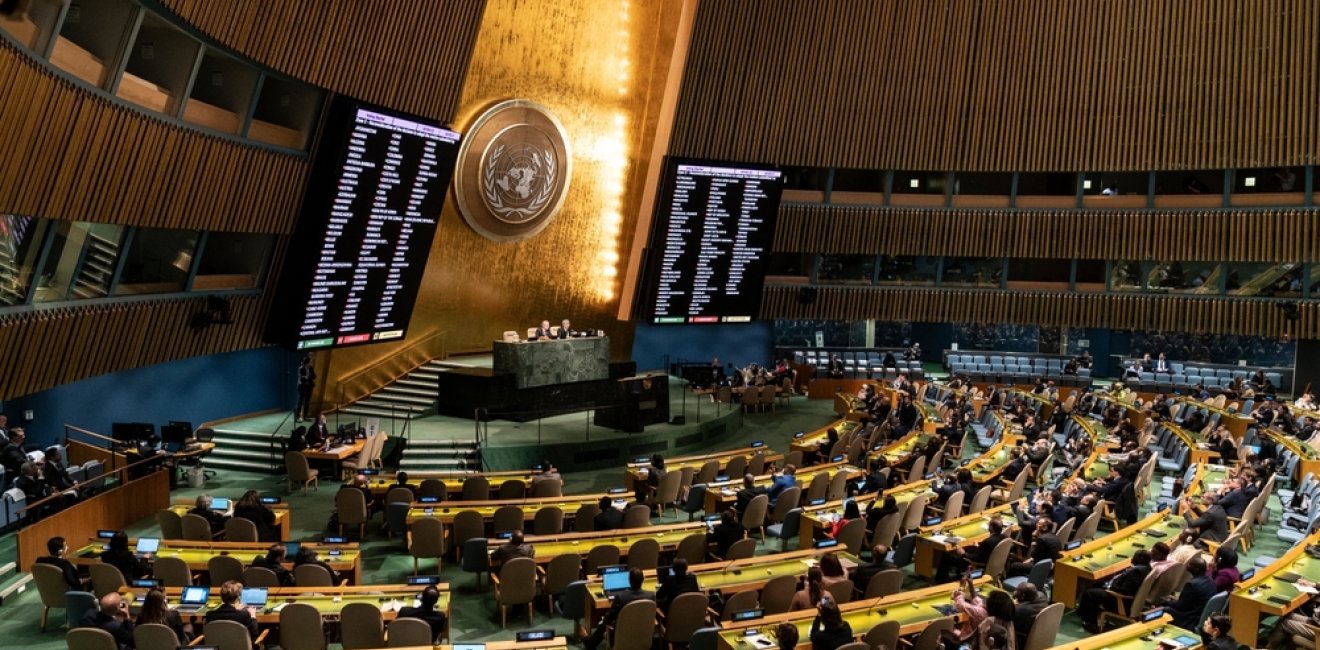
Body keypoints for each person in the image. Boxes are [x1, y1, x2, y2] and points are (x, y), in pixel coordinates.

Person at [1077, 548, 1152, 633]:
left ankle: (1090, 623)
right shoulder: (1146, 568)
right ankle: (1091, 612)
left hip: (1121, 601)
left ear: (1140, 559)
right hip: (1129, 598)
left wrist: (1109, 588)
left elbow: (1125, 591)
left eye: (1134, 556)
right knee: (1096, 585)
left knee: (1089, 593)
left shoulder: (1136, 572)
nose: (1132, 558)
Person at [585, 568, 653, 650]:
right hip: (643, 633)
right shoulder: (651, 596)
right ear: (643, 580)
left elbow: (609, 619)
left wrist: (603, 618)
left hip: (623, 634)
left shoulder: (621, 597)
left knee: (603, 623)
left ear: (629, 581)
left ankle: (589, 644)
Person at [935, 518, 1007, 582]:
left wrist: (963, 553)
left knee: (947, 556)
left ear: (991, 527)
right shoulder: (1004, 537)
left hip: (978, 565)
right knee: (970, 549)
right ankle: (956, 577)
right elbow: (988, 551)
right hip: (994, 565)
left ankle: (940, 581)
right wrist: (978, 547)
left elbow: (975, 560)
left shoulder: (988, 542)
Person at [1163, 556, 1215, 631]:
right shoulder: (1210, 581)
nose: (1188, 565)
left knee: (1164, 609)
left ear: (1196, 569)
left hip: (1190, 618)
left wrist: (1168, 602)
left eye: (1190, 564)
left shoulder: (1191, 584)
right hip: (1200, 615)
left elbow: (1181, 606)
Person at [1012, 583, 1049, 648]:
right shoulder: (1042, 596)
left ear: (1023, 595)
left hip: (1022, 639)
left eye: (1017, 590)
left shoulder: (1020, 609)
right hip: (1040, 634)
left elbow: (1012, 626)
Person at [296, 354, 316, 422]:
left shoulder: (311, 368)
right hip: (302, 387)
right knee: (300, 402)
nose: (311, 363)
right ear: (307, 362)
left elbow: (314, 376)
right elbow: (301, 378)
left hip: (309, 387)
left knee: (307, 402)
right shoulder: (301, 368)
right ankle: (297, 417)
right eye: (310, 361)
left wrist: (308, 377)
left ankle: (305, 416)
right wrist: (305, 377)